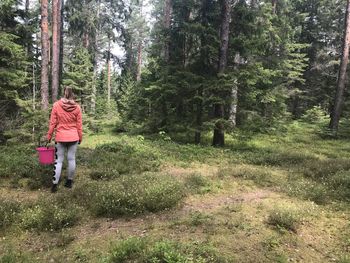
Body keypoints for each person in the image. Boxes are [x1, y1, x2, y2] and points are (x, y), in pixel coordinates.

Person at [47, 87, 83, 193]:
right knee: (71, 159)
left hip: (60, 137)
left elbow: (52, 123)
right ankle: (69, 182)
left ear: (63, 93)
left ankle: (54, 185)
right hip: (73, 136)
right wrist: (80, 137)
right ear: (73, 95)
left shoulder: (56, 105)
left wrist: (49, 136)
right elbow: (79, 125)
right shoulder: (77, 107)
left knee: (58, 161)